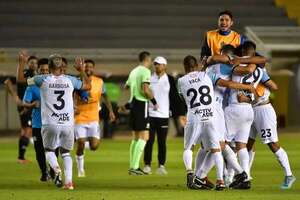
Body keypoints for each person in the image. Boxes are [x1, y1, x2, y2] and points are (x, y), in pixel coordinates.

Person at [27, 55, 91, 190]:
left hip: (50, 123)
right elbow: (88, 86)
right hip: (67, 123)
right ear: (61, 66)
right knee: (66, 153)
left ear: (49, 67)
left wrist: (22, 64)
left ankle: (56, 169)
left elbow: (23, 81)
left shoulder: (41, 79)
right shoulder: (70, 80)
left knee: (49, 150)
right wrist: (81, 70)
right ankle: (69, 183)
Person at [239, 73, 296, 189]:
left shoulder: (257, 75)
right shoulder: (245, 74)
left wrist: (241, 97)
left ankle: (289, 175)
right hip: (251, 111)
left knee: (272, 144)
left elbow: (256, 94)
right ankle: (246, 176)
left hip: (263, 111)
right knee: (247, 144)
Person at [178, 55, 225, 190]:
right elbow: (203, 73)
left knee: (189, 148)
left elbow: (182, 97)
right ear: (197, 65)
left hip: (194, 116)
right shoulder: (207, 76)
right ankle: (220, 181)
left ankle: (190, 173)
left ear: (185, 67)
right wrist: (204, 65)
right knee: (216, 149)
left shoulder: (181, 81)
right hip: (210, 116)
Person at [224, 41, 264, 189]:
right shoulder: (257, 69)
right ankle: (245, 178)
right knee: (242, 146)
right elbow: (254, 66)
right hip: (248, 110)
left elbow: (240, 69)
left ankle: (231, 176)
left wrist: (236, 60)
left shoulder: (236, 66)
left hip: (235, 108)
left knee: (221, 142)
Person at [143, 56, 185, 175]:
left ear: (165, 66)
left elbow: (175, 98)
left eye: (159, 64)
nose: (157, 66)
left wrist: (180, 113)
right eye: (155, 64)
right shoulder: (149, 78)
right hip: (150, 114)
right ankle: (147, 165)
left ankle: (161, 165)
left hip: (164, 115)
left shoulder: (170, 79)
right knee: (149, 141)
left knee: (162, 142)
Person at [74, 59, 115, 177]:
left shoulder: (99, 82)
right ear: (83, 68)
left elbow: (105, 97)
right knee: (81, 142)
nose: (88, 69)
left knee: (94, 146)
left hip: (93, 118)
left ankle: (85, 143)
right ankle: (80, 169)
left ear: (93, 68)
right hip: (80, 116)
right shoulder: (77, 81)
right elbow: (71, 95)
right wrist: (73, 106)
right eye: (86, 67)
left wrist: (111, 111)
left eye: (90, 67)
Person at [126, 51, 157, 175]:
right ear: (147, 59)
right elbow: (145, 89)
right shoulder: (145, 71)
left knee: (136, 137)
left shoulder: (133, 71)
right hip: (141, 104)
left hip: (133, 104)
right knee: (145, 137)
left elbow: (126, 86)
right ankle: (134, 167)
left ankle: (132, 166)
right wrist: (154, 100)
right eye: (150, 61)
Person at [22, 58, 49, 181]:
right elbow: (25, 103)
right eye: (42, 70)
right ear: (37, 70)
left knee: (54, 148)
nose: (44, 72)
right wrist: (33, 105)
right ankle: (44, 172)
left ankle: (53, 169)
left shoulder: (56, 85)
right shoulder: (32, 86)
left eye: (47, 70)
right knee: (39, 149)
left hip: (53, 123)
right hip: (38, 123)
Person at [15, 52, 38, 163]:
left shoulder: (37, 75)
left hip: (32, 106)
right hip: (26, 105)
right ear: (28, 64)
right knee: (27, 131)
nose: (34, 64)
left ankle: (21, 157)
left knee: (25, 130)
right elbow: (19, 80)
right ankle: (21, 157)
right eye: (31, 62)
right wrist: (21, 63)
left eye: (35, 62)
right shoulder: (26, 73)